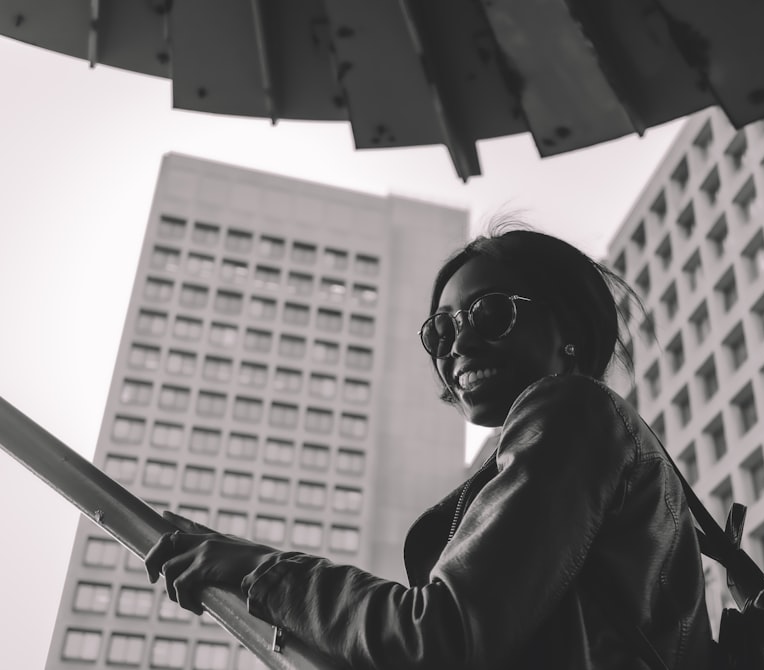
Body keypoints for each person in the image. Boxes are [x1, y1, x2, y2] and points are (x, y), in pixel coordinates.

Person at [145, 223, 714, 669]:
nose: (459, 341)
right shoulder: (586, 440)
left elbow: (439, 637)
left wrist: (262, 571)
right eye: (439, 331)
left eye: (491, 313)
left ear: (568, 327)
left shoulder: (570, 411)